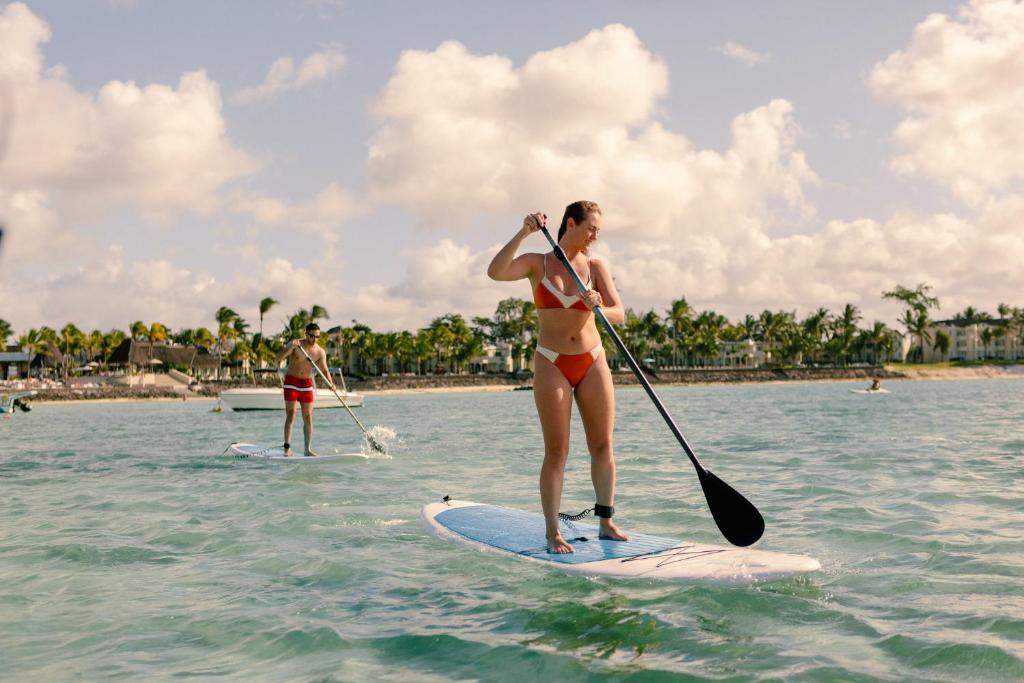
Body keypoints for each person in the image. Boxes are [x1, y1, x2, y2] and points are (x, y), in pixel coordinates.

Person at [487, 200, 628, 553]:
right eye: (591, 228)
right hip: (552, 363)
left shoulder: (595, 266)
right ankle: (553, 533)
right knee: (557, 451)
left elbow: (619, 314)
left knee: (603, 445)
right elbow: (495, 272)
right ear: (571, 224)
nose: (595, 236)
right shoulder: (538, 263)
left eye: (598, 230)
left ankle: (606, 521)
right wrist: (524, 232)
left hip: (592, 360)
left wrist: (599, 304)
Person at [275, 322, 335, 456]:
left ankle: (307, 450)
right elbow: (278, 357)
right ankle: (287, 448)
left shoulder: (319, 352)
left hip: (306, 384)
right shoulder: (296, 345)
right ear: (305, 334)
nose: (314, 339)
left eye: (317, 337)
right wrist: (289, 347)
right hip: (291, 381)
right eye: (312, 336)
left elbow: (324, 370)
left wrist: (331, 383)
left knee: (308, 417)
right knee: (291, 414)